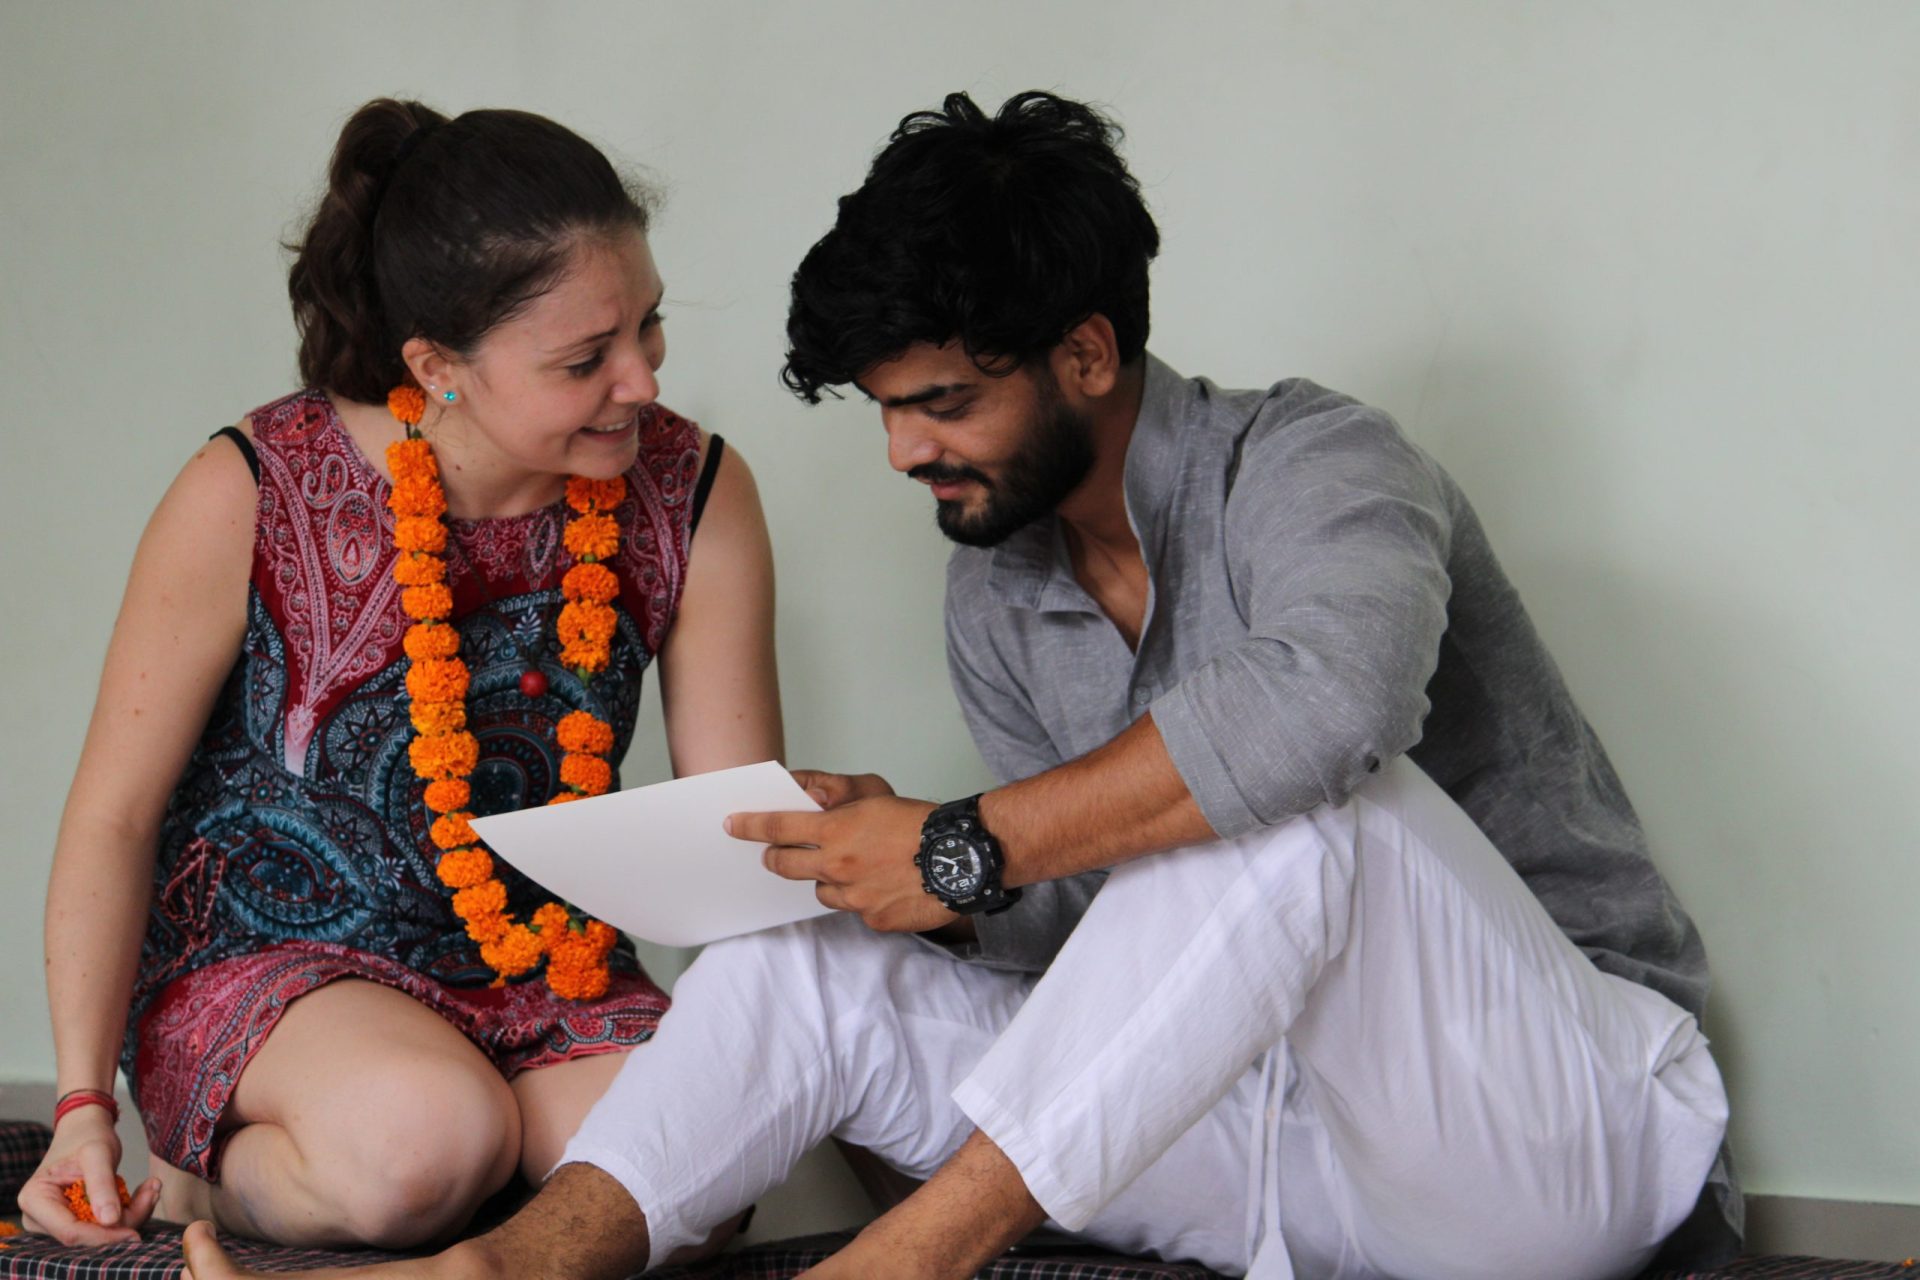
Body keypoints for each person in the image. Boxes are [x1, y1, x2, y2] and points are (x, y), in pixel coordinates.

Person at [181, 90, 1737, 1280]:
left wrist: (962, 841)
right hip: (1264, 1163)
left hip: (1550, 1149)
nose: (902, 451)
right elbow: (1110, 939)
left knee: (1294, 807)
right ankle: (498, 1273)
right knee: (796, 966)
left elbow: (1327, 716)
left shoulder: (1322, 464)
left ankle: (903, 1265)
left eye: (939, 403)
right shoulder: (1001, 582)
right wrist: (920, 877)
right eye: (885, 409)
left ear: (1086, 354)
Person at [24, 98, 781, 1254]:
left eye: (651, 326)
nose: (640, 380)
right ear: (438, 366)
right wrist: (84, 1108)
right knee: (421, 1143)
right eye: (586, 359)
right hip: (275, 964)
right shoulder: (250, 485)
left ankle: (476, 1179)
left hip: (549, 964)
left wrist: (756, 1072)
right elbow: (114, 815)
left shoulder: (695, 488)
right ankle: (207, 1182)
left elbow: (731, 840)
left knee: (691, 1178)